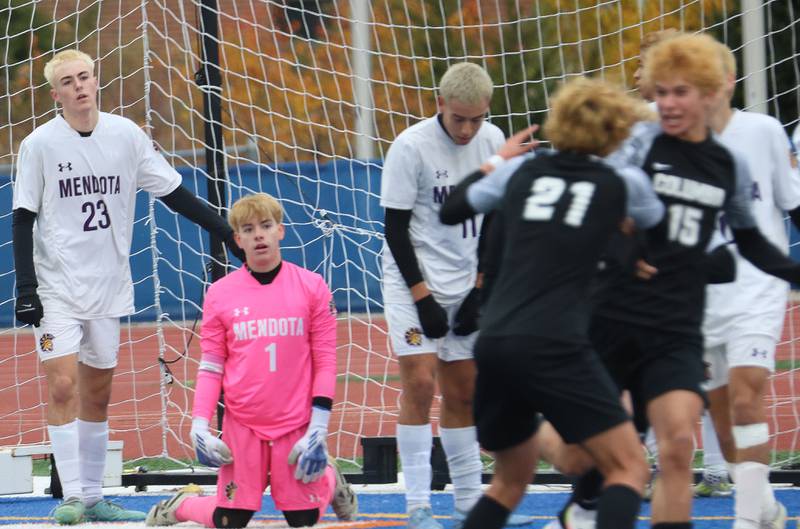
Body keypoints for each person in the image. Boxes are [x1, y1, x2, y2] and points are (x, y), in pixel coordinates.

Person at [534, 33, 800, 529]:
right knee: (578, 454)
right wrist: (621, 249)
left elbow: (754, 243)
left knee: (677, 446)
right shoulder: (637, 142)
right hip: (615, 315)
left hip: (677, 328)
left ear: (708, 93)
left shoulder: (729, 164)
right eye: (662, 92)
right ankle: (536, 436)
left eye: (681, 92)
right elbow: (595, 204)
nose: (669, 103)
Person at [11, 49, 248, 525]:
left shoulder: (126, 136)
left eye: (85, 76)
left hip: (108, 286)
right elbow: (22, 217)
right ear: (55, 93)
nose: (79, 86)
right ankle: (72, 496)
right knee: (62, 387)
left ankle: (95, 497)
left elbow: (175, 193)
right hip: (56, 287)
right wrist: (26, 285)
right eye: (68, 81)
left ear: (95, 81)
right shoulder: (39, 145)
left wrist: (225, 231)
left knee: (98, 393)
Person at [439, 76, 664, 529]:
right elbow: (660, 234)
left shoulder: (519, 170)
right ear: (615, 130)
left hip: (496, 340)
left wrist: (494, 162)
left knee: (509, 481)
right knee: (629, 468)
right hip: (555, 341)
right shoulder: (623, 181)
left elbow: (452, 210)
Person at [145, 193, 357, 528]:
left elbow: (326, 361)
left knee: (302, 520)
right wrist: (199, 424)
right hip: (242, 424)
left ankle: (329, 476)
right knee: (229, 519)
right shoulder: (220, 294)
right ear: (238, 239)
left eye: (266, 226)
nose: (259, 234)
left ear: (280, 231)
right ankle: (184, 504)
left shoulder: (313, 287)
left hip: (295, 422)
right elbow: (212, 365)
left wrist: (318, 428)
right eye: (248, 228)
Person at [380, 62, 532, 529]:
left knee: (463, 391)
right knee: (421, 384)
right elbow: (396, 229)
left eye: (477, 119)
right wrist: (422, 297)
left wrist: (480, 291)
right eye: (458, 118)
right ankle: (418, 507)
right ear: (440, 103)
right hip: (413, 280)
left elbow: (498, 223)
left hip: (468, 280)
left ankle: (470, 504)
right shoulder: (410, 147)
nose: (467, 129)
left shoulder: (494, 143)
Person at [700, 41, 800, 528]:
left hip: (759, 286)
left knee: (746, 397)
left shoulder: (763, 131)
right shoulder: (671, 139)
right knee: (722, 419)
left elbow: (792, 202)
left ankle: (745, 520)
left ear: (730, 83)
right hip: (701, 296)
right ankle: (763, 509)